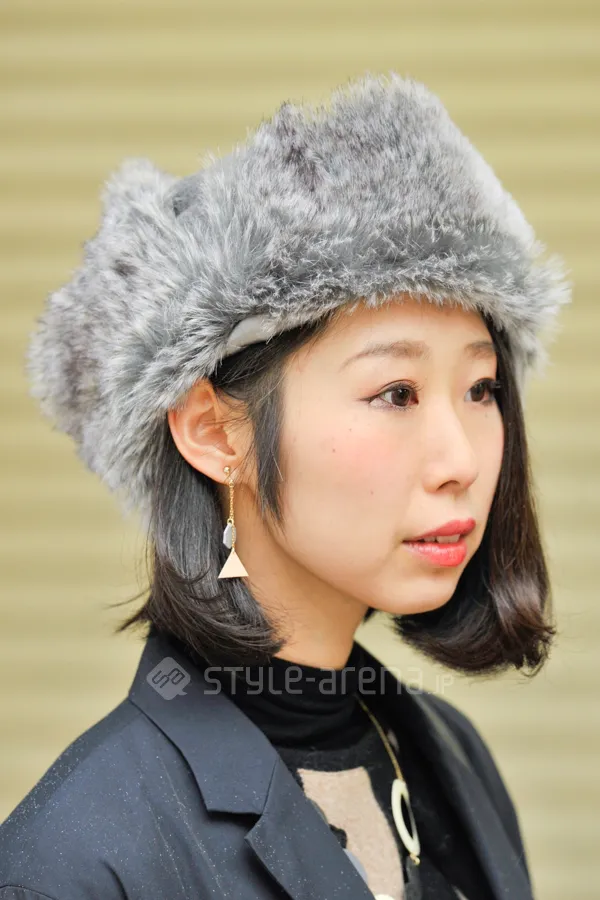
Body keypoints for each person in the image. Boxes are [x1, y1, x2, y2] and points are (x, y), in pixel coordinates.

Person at [0, 72, 570, 900]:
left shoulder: (453, 760)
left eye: (481, 389)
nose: (462, 460)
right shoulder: (79, 856)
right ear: (214, 432)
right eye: (396, 393)